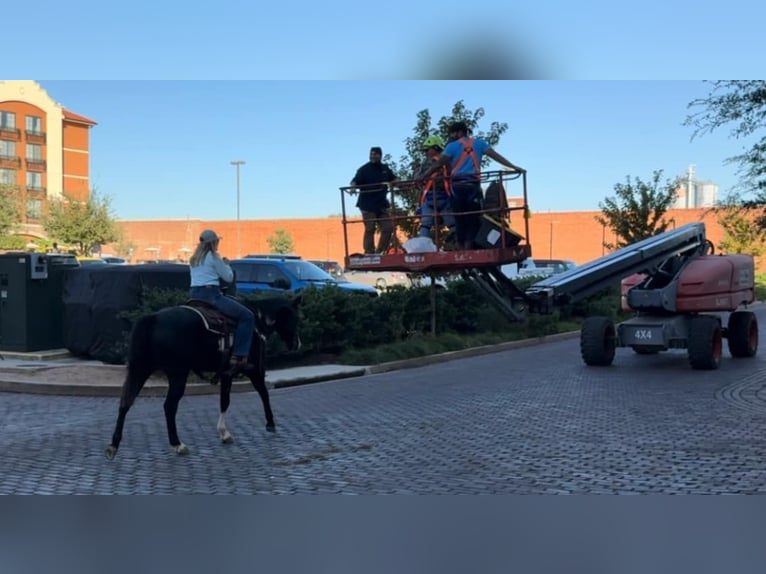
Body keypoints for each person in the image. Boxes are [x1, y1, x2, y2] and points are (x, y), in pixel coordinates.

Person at [423, 121, 523, 249]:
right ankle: (469, 244)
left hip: (457, 187)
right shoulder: (480, 143)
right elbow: (496, 156)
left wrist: (423, 176)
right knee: (473, 217)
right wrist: (513, 167)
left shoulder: (451, 146)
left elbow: (437, 165)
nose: (452, 136)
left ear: (459, 132)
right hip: (473, 185)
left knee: (459, 217)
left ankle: (460, 245)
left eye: (453, 133)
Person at [189, 229, 255, 373]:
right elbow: (228, 278)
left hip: (194, 295)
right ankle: (239, 355)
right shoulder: (214, 257)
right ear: (213, 242)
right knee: (247, 316)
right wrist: (227, 264)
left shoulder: (194, 259)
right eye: (217, 241)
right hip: (211, 295)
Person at [349, 146, 396, 254]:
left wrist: (403, 183)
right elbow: (354, 181)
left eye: (375, 154)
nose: (373, 156)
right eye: (371, 154)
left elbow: (394, 178)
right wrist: (352, 188)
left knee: (388, 227)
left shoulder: (385, 169)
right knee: (370, 228)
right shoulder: (364, 169)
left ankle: (380, 251)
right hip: (367, 204)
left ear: (380, 155)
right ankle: (369, 251)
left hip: (381, 204)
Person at [414, 134, 456, 245]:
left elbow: (418, 180)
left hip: (432, 196)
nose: (425, 152)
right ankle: (456, 242)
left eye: (427, 150)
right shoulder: (448, 161)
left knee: (426, 223)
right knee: (451, 222)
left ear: (435, 148)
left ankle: (422, 244)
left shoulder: (427, 163)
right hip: (444, 196)